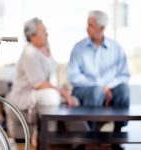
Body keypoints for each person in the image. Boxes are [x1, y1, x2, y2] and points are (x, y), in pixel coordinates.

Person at [8, 17, 77, 147]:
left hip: (41, 92)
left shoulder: (46, 49)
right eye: (43, 30)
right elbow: (39, 84)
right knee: (51, 96)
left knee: (74, 99)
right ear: (31, 35)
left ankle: (79, 140)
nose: (47, 33)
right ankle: (45, 137)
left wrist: (65, 89)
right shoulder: (29, 53)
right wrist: (62, 93)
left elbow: (52, 75)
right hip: (26, 96)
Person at [68, 10, 130, 150]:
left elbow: (124, 75)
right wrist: (100, 86)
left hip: (110, 88)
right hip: (85, 89)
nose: (87, 28)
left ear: (101, 28)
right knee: (96, 91)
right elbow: (73, 76)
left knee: (124, 89)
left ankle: (117, 135)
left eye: (90, 25)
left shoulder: (116, 48)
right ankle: (89, 137)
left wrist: (108, 87)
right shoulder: (79, 48)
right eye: (87, 24)